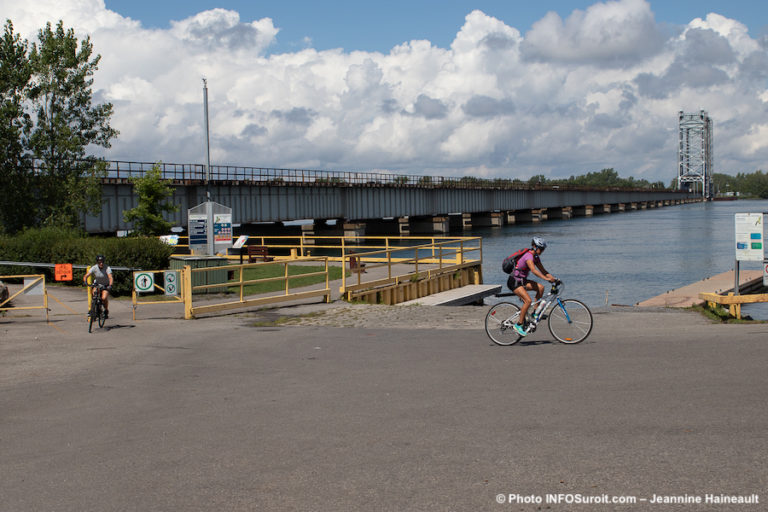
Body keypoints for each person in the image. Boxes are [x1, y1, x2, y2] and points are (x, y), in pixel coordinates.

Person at [508, 236, 556, 337]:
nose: (542, 251)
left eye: (543, 249)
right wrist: (546, 279)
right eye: (540, 249)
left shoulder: (536, 257)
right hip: (514, 281)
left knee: (541, 288)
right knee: (528, 301)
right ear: (534, 246)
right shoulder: (528, 256)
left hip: (522, 281)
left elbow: (543, 271)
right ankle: (519, 325)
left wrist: (554, 279)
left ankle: (535, 312)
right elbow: (534, 270)